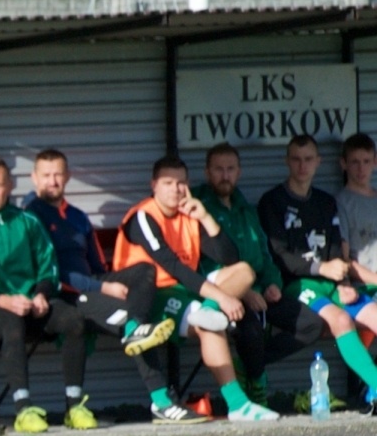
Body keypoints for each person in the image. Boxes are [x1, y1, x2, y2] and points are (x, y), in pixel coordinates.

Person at [114, 155, 278, 422]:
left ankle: (238, 406)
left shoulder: (189, 214)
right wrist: (222, 298)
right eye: (168, 182)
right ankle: (238, 402)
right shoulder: (143, 216)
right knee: (211, 325)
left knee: (244, 272)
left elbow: (230, 259)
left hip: (186, 292)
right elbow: (172, 266)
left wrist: (205, 216)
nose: (175, 189)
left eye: (181, 183)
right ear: (153, 185)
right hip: (151, 297)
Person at [23, 149, 181, 419]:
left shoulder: (77, 216)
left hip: (93, 284)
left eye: (58, 174)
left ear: (68, 176)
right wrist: (103, 289)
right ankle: (162, 402)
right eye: (46, 175)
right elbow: (51, 271)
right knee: (128, 321)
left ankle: (135, 326)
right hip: (64, 295)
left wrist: (107, 282)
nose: (53, 181)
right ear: (34, 179)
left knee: (144, 272)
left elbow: (97, 266)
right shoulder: (30, 217)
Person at [0, 157, 92, 433]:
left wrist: (41, 296)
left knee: (73, 320)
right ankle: (23, 409)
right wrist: (3, 301)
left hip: (31, 304)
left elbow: (48, 268)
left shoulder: (28, 221)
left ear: (10, 185)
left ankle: (75, 405)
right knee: (12, 325)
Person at [193, 142, 322, 404]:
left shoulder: (246, 209)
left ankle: (247, 366)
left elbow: (265, 254)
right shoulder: (198, 209)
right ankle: (255, 386)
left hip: (259, 291)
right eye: (219, 169)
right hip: (220, 294)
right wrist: (245, 290)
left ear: (239, 172)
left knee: (310, 324)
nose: (225, 175)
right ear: (207, 172)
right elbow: (198, 263)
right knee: (250, 330)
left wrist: (271, 283)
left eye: (230, 169)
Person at [257, 134, 377, 408]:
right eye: (297, 160)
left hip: (333, 284)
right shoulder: (272, 201)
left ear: (318, 162)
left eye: (309, 159)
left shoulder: (325, 201)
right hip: (298, 285)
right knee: (341, 321)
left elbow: (337, 246)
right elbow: (279, 256)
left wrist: (345, 280)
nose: (302, 166)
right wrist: (321, 267)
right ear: (287, 161)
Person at [336, 133, 377, 271]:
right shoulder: (341, 203)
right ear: (344, 163)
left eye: (366, 161)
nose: (361, 169)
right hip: (365, 284)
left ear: (375, 162)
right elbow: (344, 259)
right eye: (355, 162)